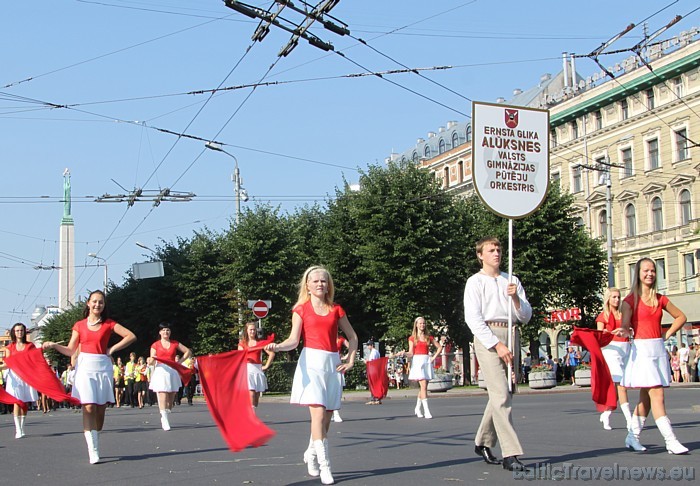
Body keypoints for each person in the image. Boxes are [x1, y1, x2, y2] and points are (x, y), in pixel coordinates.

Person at [266, 265, 358, 485]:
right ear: (307, 285)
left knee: (326, 418)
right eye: (315, 281)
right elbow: (293, 341)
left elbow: (353, 337)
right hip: (311, 363)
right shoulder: (301, 309)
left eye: (323, 281)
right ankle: (325, 465)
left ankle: (311, 452)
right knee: (317, 415)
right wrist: (277, 347)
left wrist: (351, 360)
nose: (320, 284)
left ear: (329, 285)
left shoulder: (336, 309)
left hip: (332, 363)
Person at [42, 290, 136, 464]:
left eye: (100, 302)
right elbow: (71, 349)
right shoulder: (79, 325)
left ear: (104, 305)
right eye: (94, 301)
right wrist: (54, 345)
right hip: (85, 366)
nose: (97, 305)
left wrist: (112, 349)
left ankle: (95, 435)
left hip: (102, 366)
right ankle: (93, 449)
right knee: (89, 406)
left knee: (100, 410)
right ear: (88, 303)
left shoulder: (109, 324)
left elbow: (131, 336)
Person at [464, 237, 532, 472]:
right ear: (480, 255)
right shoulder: (475, 282)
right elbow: (473, 318)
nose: (496, 253)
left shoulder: (511, 280)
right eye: (491, 250)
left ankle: (482, 441)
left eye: (499, 249)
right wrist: (496, 344)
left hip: (511, 331)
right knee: (502, 393)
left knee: (503, 392)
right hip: (487, 336)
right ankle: (510, 453)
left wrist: (514, 298)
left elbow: (525, 315)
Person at [614, 257, 688, 454]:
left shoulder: (660, 298)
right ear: (638, 274)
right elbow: (626, 324)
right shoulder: (629, 301)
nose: (650, 273)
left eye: (653, 270)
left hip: (657, 349)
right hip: (642, 351)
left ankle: (632, 436)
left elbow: (681, 317)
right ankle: (670, 440)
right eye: (646, 270)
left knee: (645, 399)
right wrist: (624, 330)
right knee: (657, 394)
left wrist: (667, 334)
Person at [595, 287, 631, 431]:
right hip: (611, 350)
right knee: (622, 385)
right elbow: (599, 336)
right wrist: (607, 332)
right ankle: (630, 420)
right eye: (614, 297)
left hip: (625, 348)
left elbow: (630, 329)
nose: (616, 300)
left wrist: (626, 330)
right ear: (608, 299)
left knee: (619, 387)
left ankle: (606, 413)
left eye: (618, 297)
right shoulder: (603, 315)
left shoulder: (623, 314)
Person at [148, 323, 192, 431]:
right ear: (160, 332)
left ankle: (167, 411)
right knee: (162, 393)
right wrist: (151, 360)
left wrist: (180, 362)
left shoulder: (174, 343)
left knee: (171, 398)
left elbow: (188, 351)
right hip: (161, 370)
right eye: (163, 330)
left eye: (167, 330)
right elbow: (152, 360)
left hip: (172, 370)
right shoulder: (155, 345)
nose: (165, 332)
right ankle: (164, 418)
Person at [2, 323, 39, 438]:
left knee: (24, 403)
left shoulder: (30, 346)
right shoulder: (9, 348)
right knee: (17, 401)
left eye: (21, 330)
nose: (19, 332)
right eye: (17, 330)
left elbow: (34, 360)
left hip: (27, 376)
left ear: (24, 332)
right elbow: (7, 364)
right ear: (14, 332)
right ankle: (18, 429)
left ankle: (22, 427)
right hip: (15, 377)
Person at [404, 317, 443, 418]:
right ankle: (426, 410)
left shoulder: (428, 337)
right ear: (416, 325)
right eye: (420, 323)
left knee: (423, 387)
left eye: (424, 323)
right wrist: (404, 353)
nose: (422, 325)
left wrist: (433, 358)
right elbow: (411, 353)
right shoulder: (412, 338)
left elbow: (439, 347)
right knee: (424, 386)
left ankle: (417, 407)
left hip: (426, 361)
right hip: (418, 361)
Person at [238, 322, 275, 413]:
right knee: (251, 392)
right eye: (251, 329)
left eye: (254, 329)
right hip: (247, 369)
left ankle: (253, 410)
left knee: (257, 394)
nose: (253, 331)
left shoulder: (260, 343)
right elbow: (240, 357)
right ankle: (251, 414)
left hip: (257, 369)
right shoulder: (242, 343)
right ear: (247, 331)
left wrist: (266, 366)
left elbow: (272, 354)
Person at [332, 333, 350, 422]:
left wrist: (347, 357)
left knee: (337, 389)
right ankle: (330, 411)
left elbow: (351, 346)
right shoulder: (325, 336)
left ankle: (335, 412)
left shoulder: (341, 339)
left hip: (337, 364)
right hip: (326, 364)